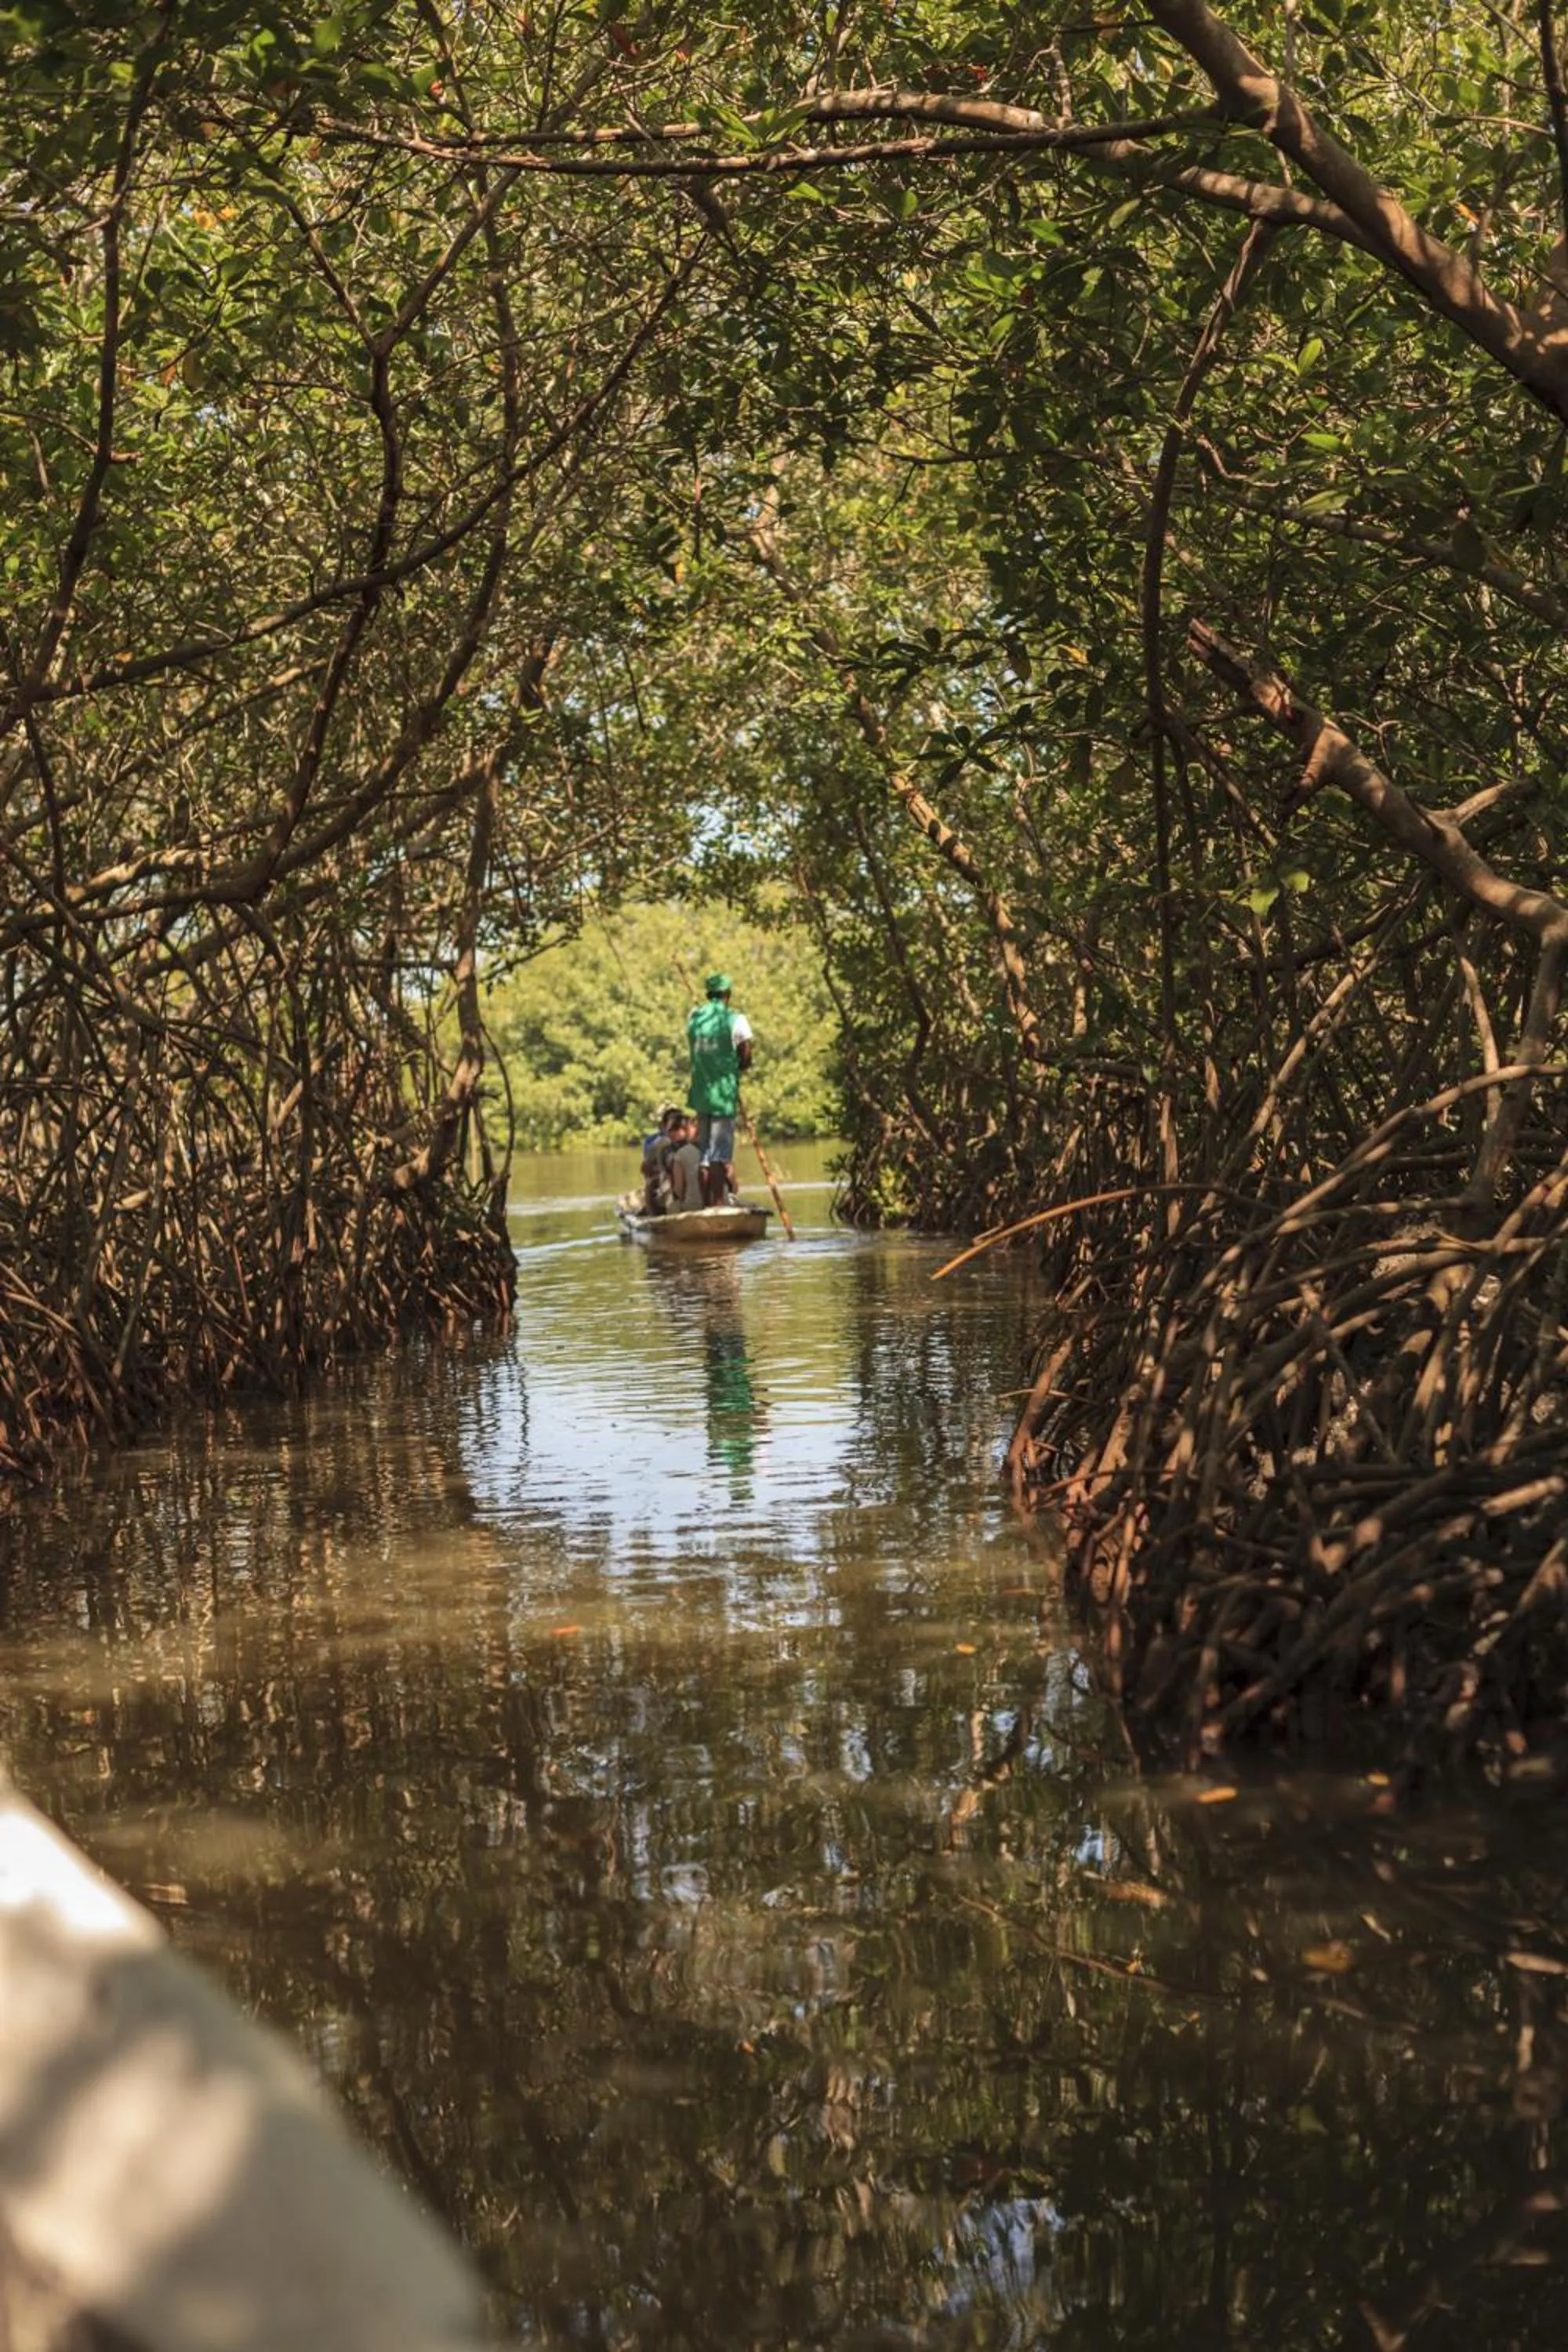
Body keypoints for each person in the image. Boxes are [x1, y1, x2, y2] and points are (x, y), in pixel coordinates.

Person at [686, 972, 753, 1207]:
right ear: (727, 994)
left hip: (701, 1094)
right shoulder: (736, 1019)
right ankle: (717, 1207)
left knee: (704, 1154)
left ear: (708, 994)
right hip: (723, 1095)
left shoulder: (695, 1016)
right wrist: (739, 1066)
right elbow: (746, 1052)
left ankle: (707, 1205)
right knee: (719, 1156)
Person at [641, 1103, 682, 1213]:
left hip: (682, 1186)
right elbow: (645, 1168)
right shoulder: (655, 1142)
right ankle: (651, 1212)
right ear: (663, 1125)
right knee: (651, 1184)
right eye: (673, 1125)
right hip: (663, 1183)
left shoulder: (689, 1140)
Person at [666, 1110, 703, 1211]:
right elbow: (734, 1188)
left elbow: (679, 1190)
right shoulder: (719, 1151)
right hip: (720, 1204)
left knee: (671, 1208)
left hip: (693, 1206)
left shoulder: (680, 1154)